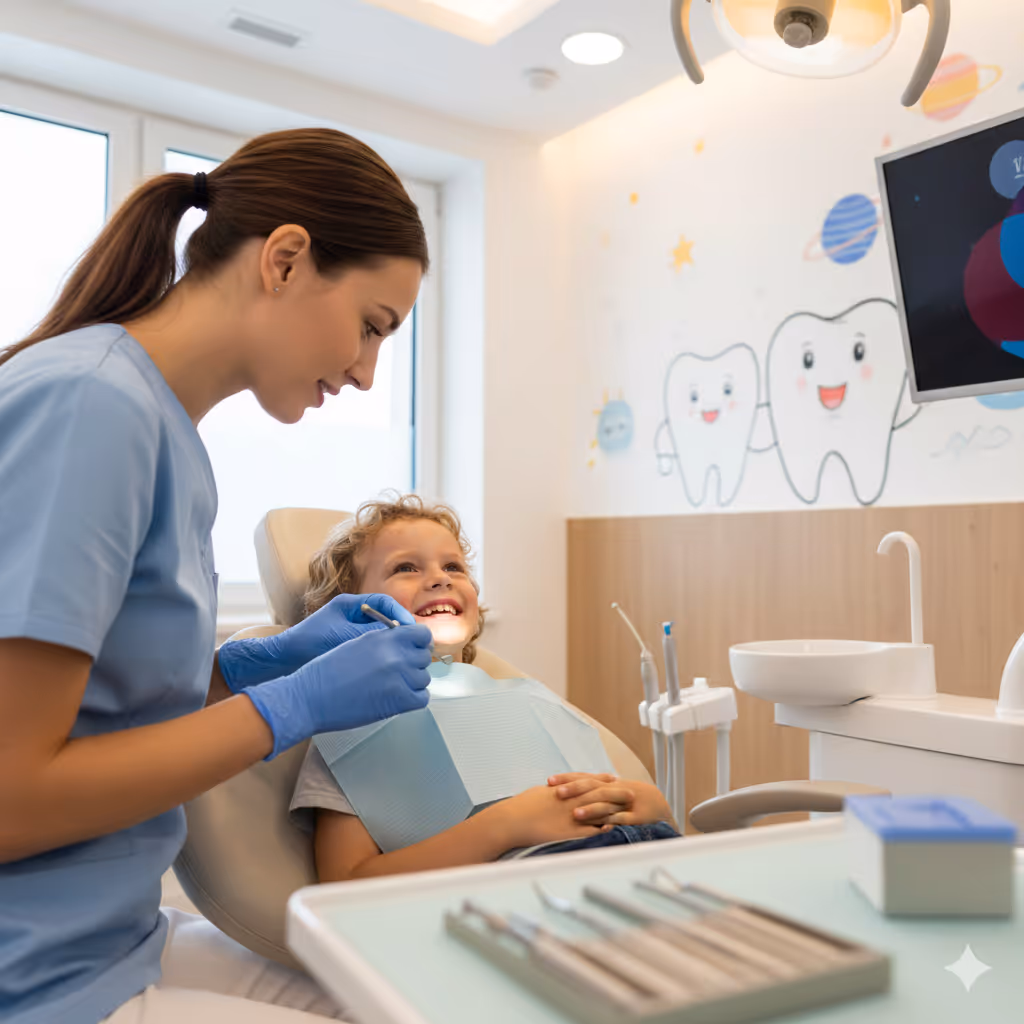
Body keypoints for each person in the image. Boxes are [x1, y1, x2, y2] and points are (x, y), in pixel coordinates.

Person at [0, 128, 438, 1024]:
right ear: (284, 258)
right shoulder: (90, 407)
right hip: (32, 972)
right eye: (370, 326)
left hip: (108, 936)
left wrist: (255, 665)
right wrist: (290, 707)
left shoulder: (169, 438)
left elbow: (106, 698)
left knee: (411, 1000)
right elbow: (10, 794)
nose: (365, 371)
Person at [289, 494, 679, 883]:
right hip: (541, 888)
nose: (440, 578)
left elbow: (607, 798)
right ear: (349, 614)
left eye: (454, 567)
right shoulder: (350, 734)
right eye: (406, 567)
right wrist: (505, 826)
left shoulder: (523, 700)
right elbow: (346, 882)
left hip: (649, 854)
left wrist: (650, 805)